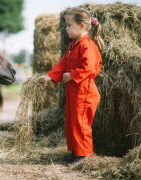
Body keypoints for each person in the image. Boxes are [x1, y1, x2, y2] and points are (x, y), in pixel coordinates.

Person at [42, 7, 104, 162]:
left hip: (85, 93)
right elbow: (62, 65)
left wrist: (71, 75)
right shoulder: (73, 46)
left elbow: (88, 68)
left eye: (69, 25)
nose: (66, 28)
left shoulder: (87, 45)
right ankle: (76, 152)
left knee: (81, 123)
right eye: (66, 25)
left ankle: (84, 156)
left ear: (82, 26)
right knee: (72, 122)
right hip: (75, 92)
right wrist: (49, 77)